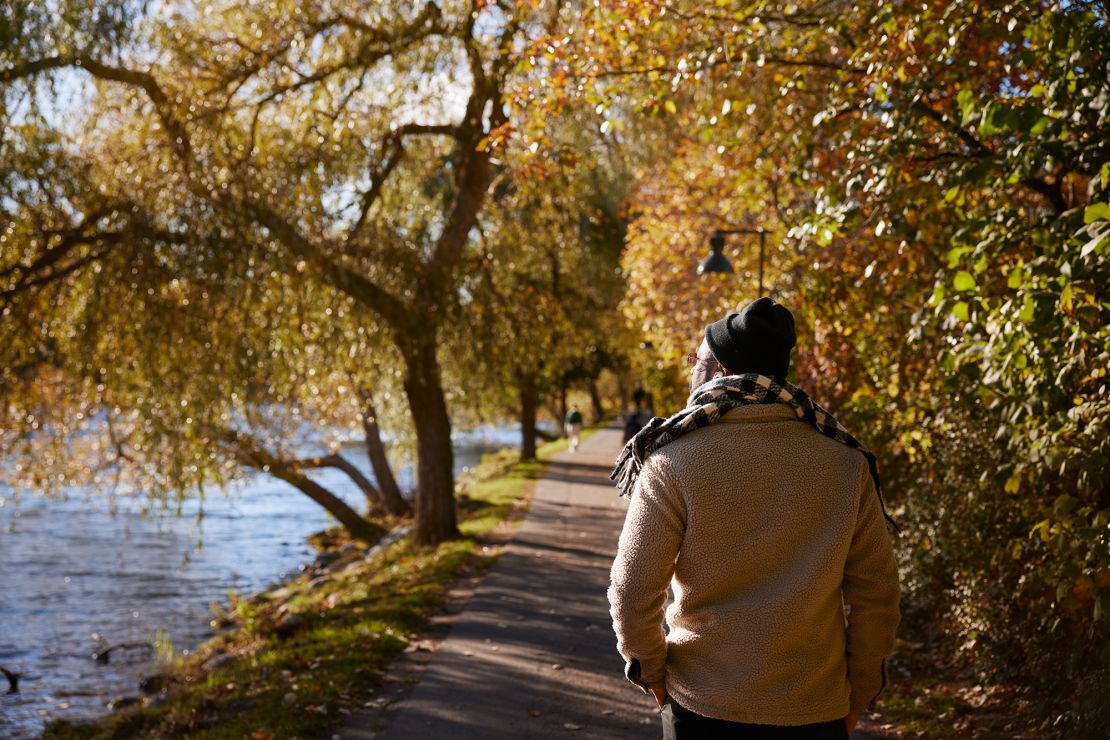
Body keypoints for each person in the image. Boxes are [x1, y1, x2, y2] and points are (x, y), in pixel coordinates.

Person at [608, 297, 900, 739]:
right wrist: (858, 696)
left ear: (720, 371)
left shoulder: (672, 460)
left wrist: (653, 676)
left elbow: (632, 592)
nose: (691, 372)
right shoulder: (845, 462)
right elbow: (878, 595)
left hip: (703, 707)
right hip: (815, 709)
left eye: (697, 360)